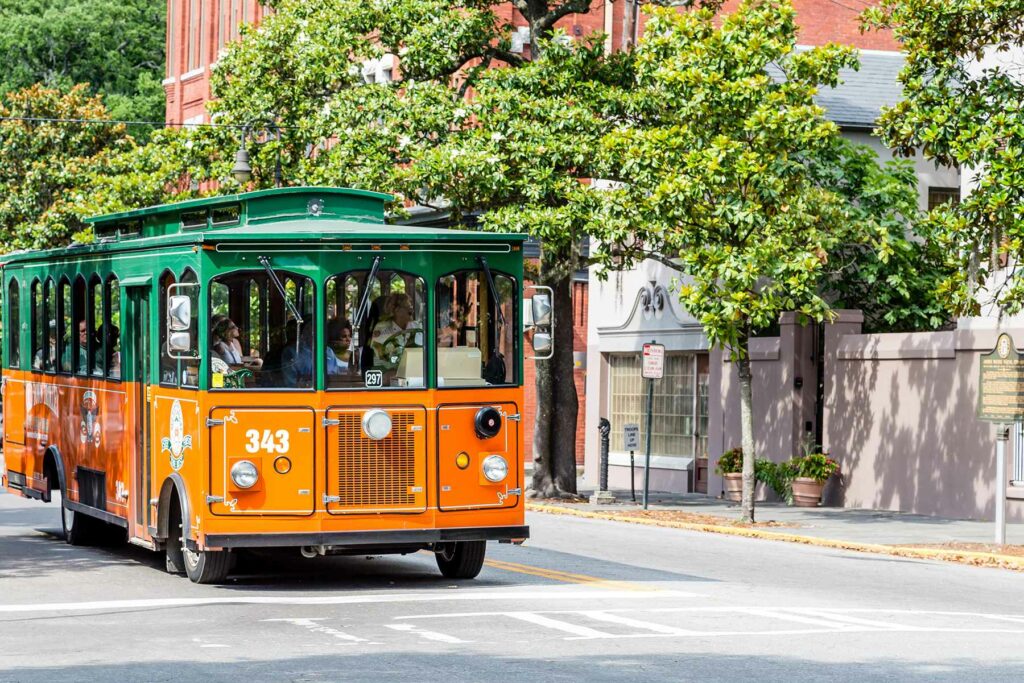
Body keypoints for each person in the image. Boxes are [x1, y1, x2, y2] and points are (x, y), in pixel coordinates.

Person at [371, 293, 422, 372]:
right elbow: (380, 357)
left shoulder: (417, 326)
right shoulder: (382, 329)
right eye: (408, 307)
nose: (412, 310)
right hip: (390, 372)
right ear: (397, 310)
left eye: (411, 307)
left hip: (417, 372)